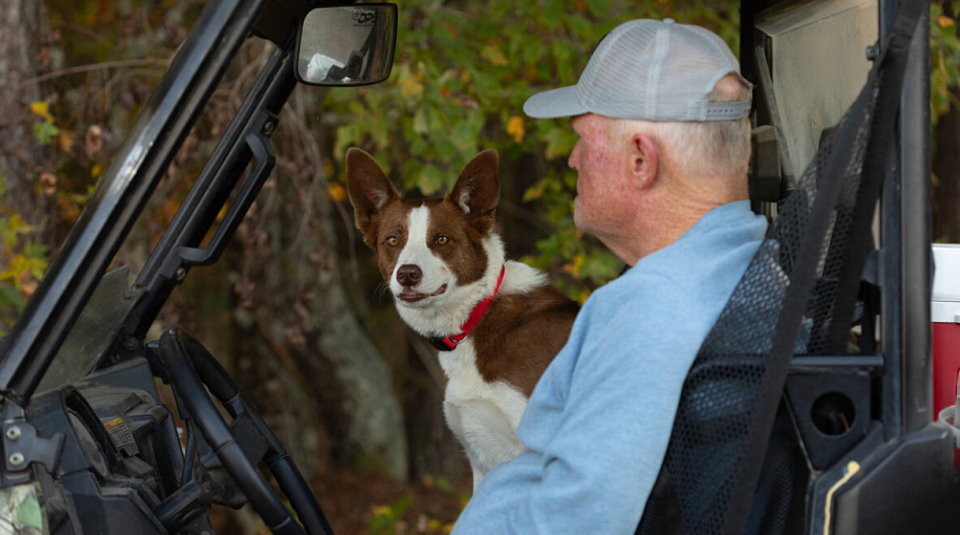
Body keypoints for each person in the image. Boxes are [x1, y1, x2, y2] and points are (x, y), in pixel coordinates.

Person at [452, 18, 768, 534]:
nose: (573, 159)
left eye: (583, 137)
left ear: (641, 159)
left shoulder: (653, 307)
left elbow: (576, 521)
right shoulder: (747, 261)